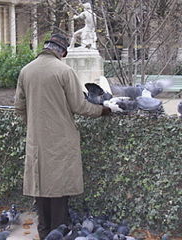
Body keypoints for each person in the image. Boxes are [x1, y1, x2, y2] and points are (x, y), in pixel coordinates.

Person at [14, 33, 121, 240]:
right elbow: (80, 106)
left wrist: (34, 124)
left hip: (36, 139)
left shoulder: (26, 70)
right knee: (59, 189)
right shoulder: (64, 71)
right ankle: (59, 232)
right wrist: (104, 110)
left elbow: (19, 107)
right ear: (62, 51)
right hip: (61, 139)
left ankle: (44, 232)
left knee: (41, 186)